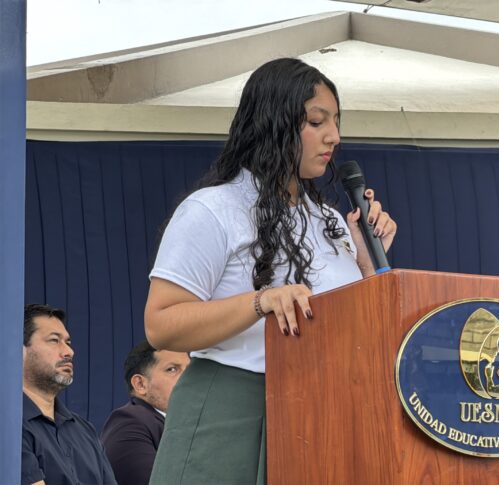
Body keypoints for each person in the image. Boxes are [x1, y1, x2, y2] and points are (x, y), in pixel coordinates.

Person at [144, 57, 397, 484]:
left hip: (321, 413)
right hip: (232, 410)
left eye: (336, 121)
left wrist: (366, 262)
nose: (334, 136)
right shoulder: (212, 209)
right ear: (273, 124)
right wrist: (260, 302)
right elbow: (161, 324)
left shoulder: (330, 220)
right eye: (316, 121)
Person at [21, 304, 117, 485]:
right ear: (21, 350)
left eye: (68, 342)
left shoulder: (85, 430)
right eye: (54, 340)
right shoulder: (9, 426)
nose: (69, 352)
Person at [100, 341, 190, 485]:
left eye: (190, 370)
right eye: (172, 369)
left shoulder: (194, 423)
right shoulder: (129, 422)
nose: (188, 378)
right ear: (140, 384)